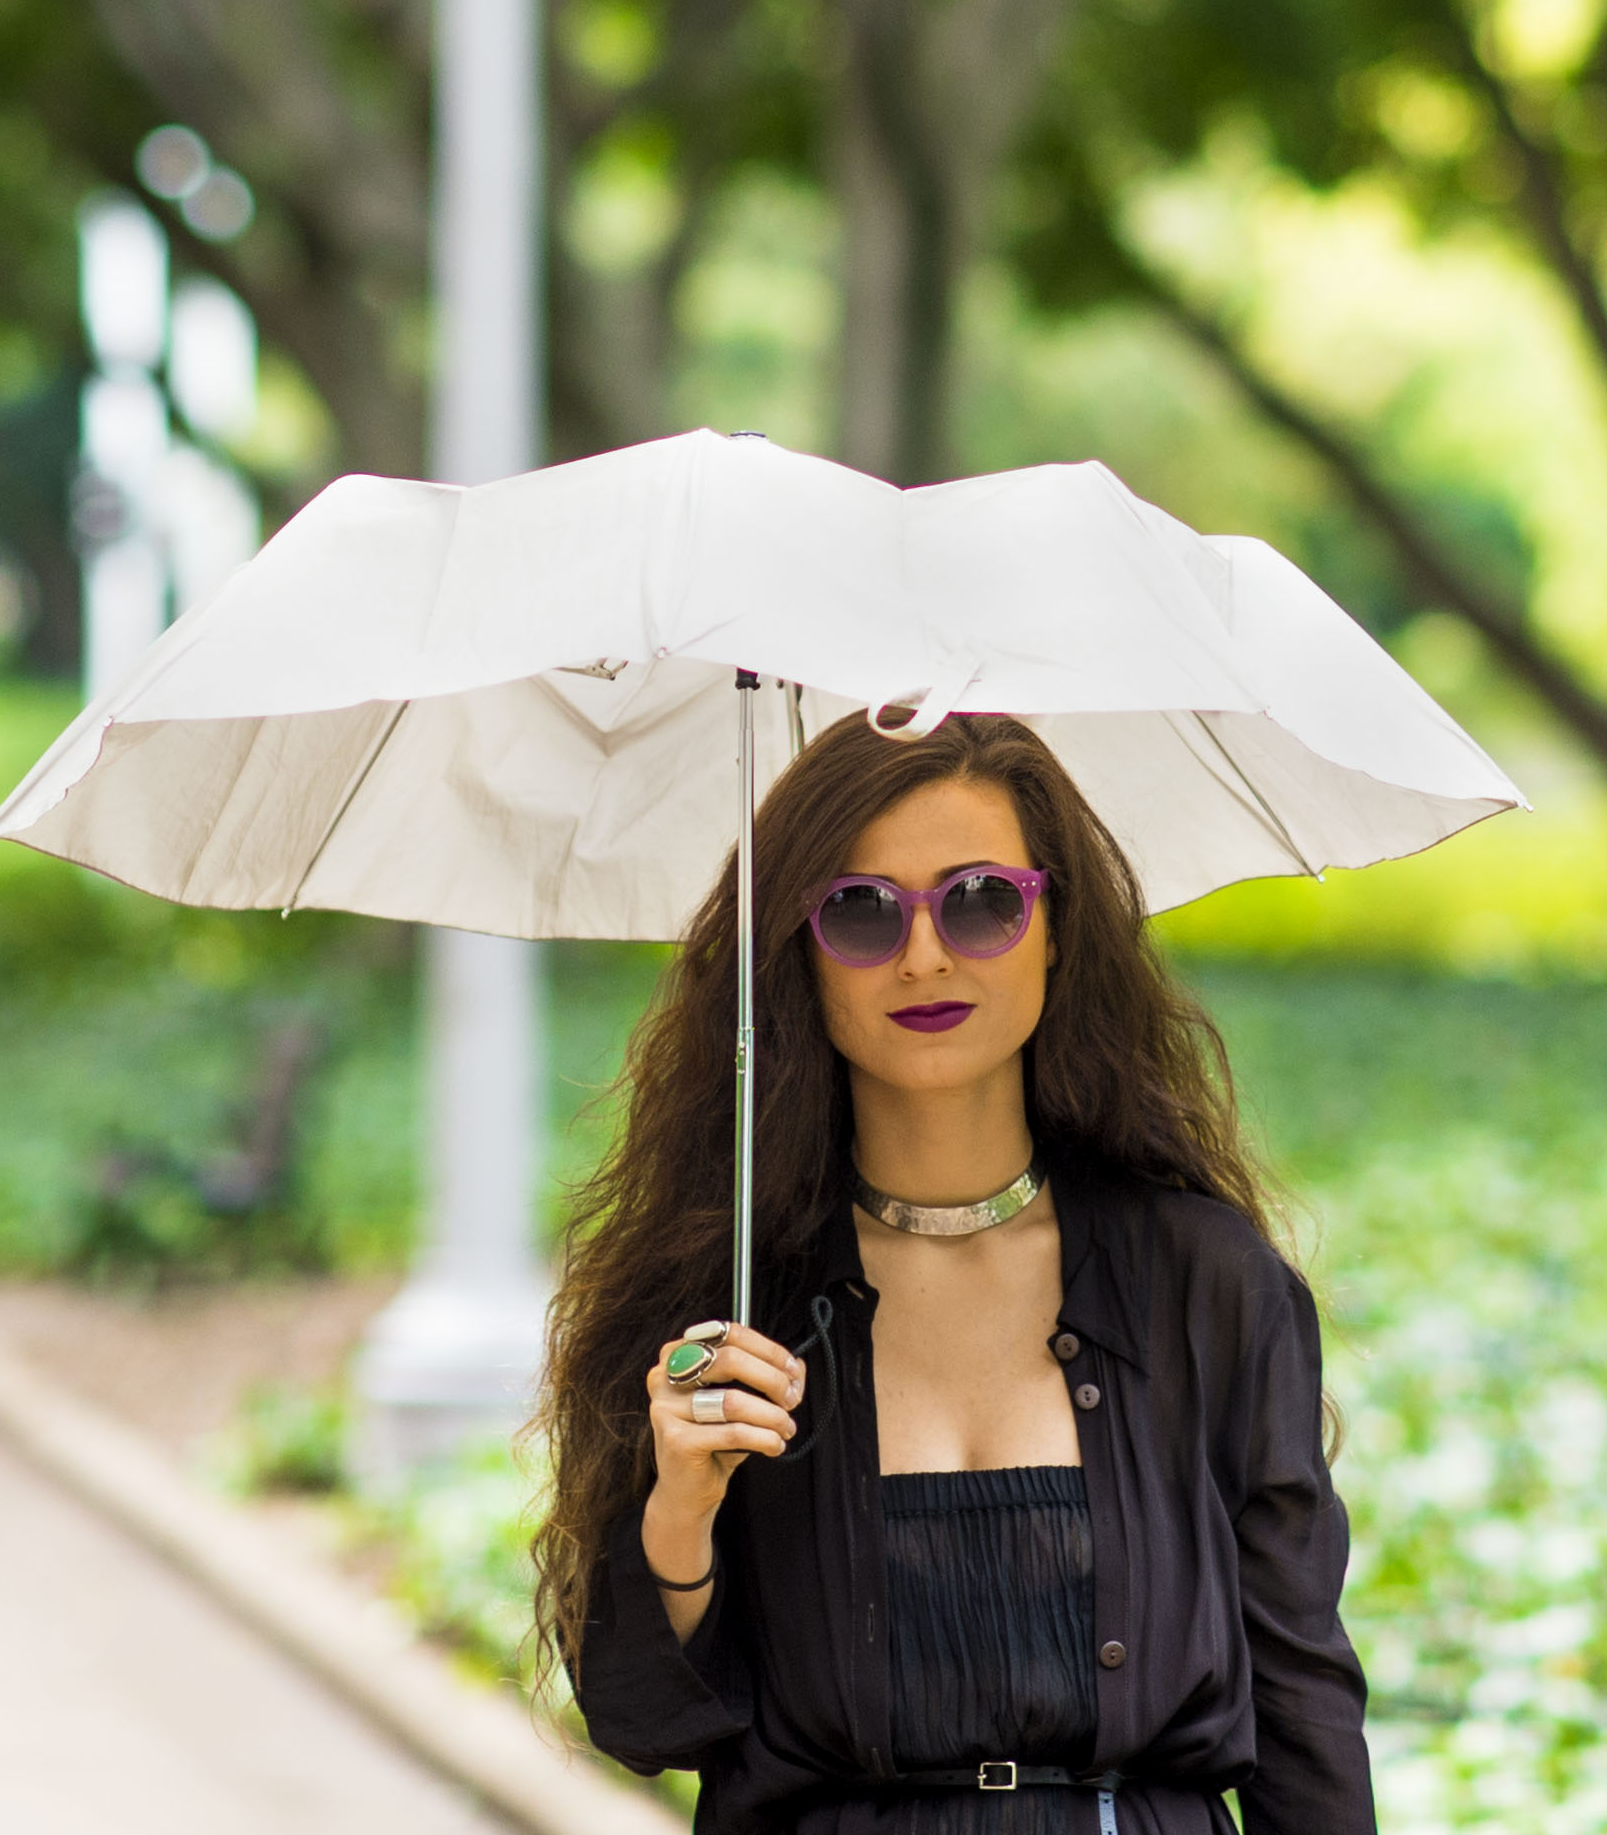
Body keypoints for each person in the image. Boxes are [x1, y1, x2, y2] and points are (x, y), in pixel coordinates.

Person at [536, 709, 1375, 1834]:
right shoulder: (728, 1299)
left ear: (1055, 927)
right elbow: (645, 1724)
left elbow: (1303, 1712)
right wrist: (679, 1511)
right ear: (796, 948)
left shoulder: (1204, 1283)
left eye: (980, 900)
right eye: (860, 910)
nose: (923, 953)